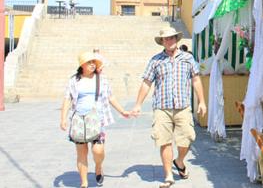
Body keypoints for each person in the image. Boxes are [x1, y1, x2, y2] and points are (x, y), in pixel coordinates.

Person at [131, 27, 206, 188]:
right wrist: (138, 104)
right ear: (162, 42)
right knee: (164, 141)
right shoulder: (155, 60)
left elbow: (196, 80)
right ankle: (168, 175)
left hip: (183, 106)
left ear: (176, 39)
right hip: (161, 108)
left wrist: (202, 101)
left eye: (171, 38)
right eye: (165, 39)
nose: (169, 41)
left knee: (187, 137)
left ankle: (179, 161)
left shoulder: (187, 58)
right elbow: (146, 83)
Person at [60, 51, 130, 188]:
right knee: (81, 152)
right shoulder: (74, 80)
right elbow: (67, 99)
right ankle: (84, 182)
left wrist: (122, 111)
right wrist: (63, 118)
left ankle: (98, 167)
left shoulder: (101, 79)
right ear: (82, 65)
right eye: (89, 62)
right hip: (79, 119)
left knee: (98, 151)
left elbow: (111, 97)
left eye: (94, 62)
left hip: (98, 119)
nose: (92, 65)